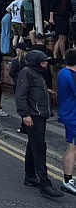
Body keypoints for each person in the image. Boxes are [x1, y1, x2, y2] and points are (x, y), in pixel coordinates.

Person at [15, 50, 64, 197]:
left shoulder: (37, 73)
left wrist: (46, 91)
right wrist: (25, 114)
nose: (46, 63)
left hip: (39, 115)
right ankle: (45, 183)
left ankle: (30, 176)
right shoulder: (26, 72)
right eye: (43, 61)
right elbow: (20, 95)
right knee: (39, 147)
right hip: (33, 116)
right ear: (36, 61)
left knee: (33, 144)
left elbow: (33, 90)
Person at [57, 49, 76, 195]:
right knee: (72, 147)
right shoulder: (71, 75)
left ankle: (68, 178)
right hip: (72, 116)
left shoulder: (63, 72)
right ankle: (67, 180)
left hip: (67, 113)